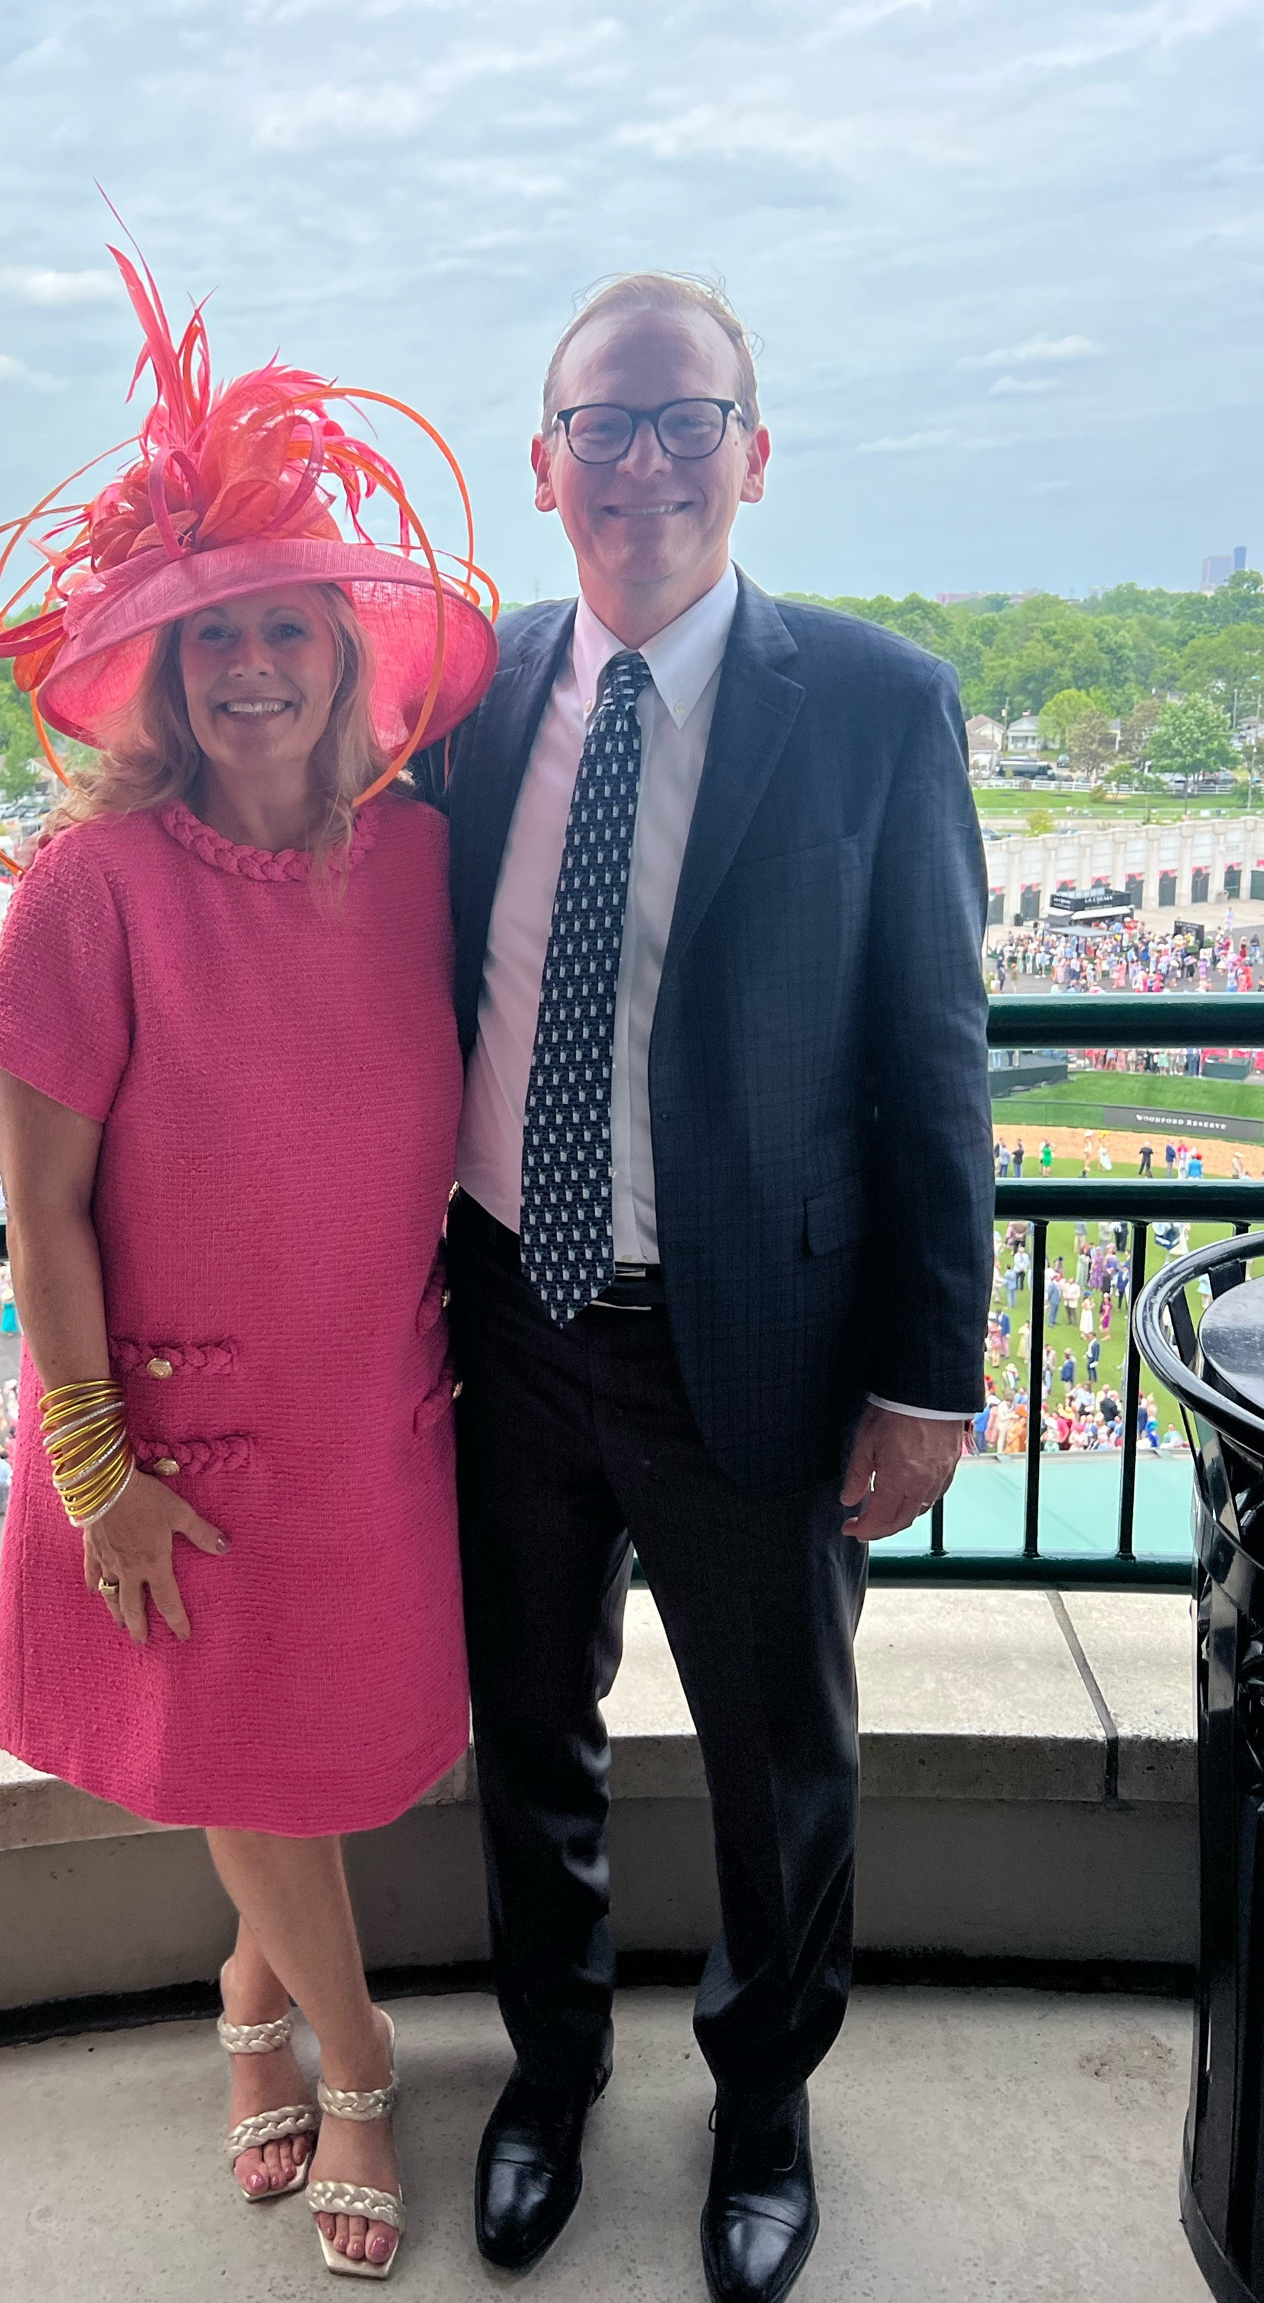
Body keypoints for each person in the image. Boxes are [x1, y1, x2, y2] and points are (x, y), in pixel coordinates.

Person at [425, 273, 992, 2300]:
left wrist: (932, 1374)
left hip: (750, 1344)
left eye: (687, 425)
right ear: (542, 463)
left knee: (776, 1770)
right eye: (605, 426)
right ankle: (550, 2071)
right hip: (504, 1317)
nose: (643, 466)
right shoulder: (468, 695)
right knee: (529, 1735)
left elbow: (933, 1058)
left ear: (753, 453)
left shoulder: (876, 707)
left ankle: (764, 2107)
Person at [0, 243, 498, 2280]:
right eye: (212, 643)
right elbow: (43, 1203)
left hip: (374, 1415)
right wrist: (91, 1466)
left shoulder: (423, 860)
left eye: (285, 629)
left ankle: (244, 2008)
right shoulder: (92, 884)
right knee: (247, 1751)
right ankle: (353, 2056)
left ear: (348, 656)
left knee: (304, 1749)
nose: (252, 669)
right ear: (159, 679)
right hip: (164, 1423)